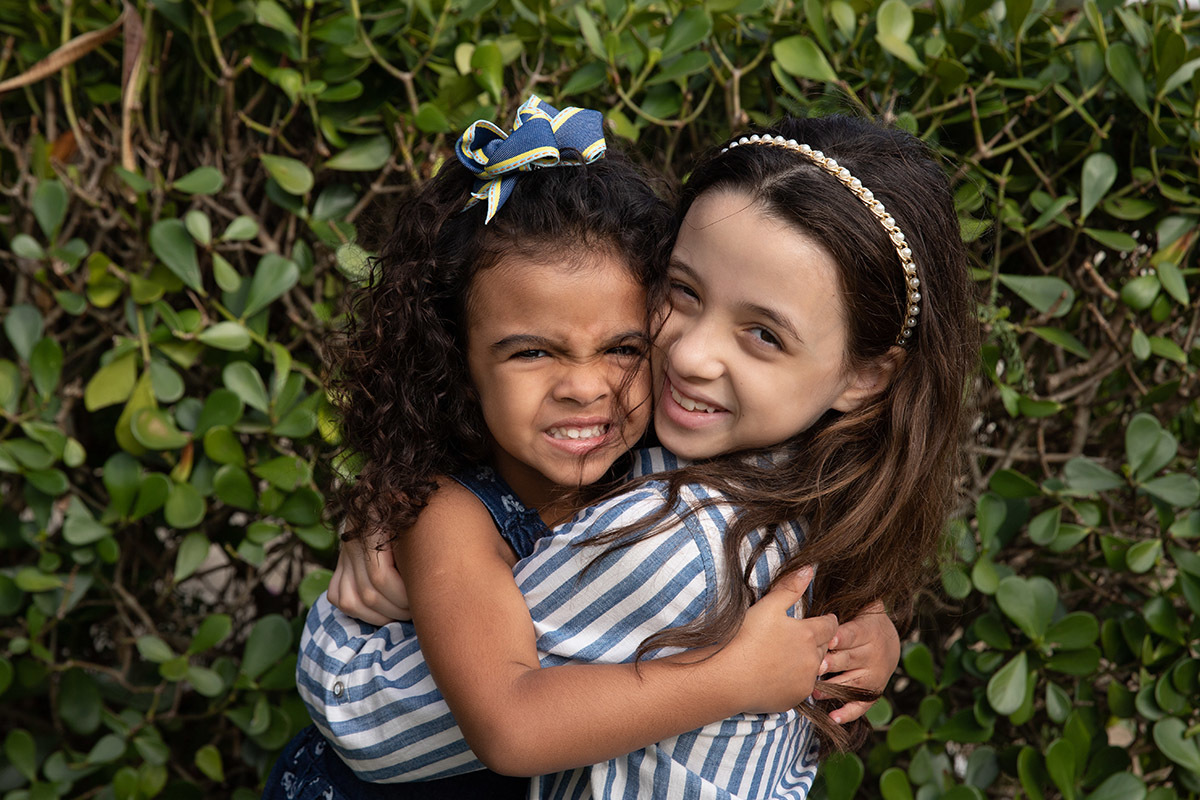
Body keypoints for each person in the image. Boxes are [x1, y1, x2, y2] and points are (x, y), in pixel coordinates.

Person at [265, 99, 903, 800]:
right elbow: (510, 725)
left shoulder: (664, 441)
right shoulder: (447, 515)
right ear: (458, 361)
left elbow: (822, 533)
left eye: (624, 347)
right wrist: (730, 679)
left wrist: (870, 625)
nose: (584, 388)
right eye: (532, 351)